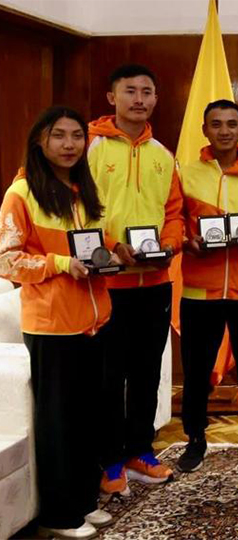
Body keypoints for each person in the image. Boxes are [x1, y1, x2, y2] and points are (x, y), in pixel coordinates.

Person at [1, 107, 118, 538]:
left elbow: (93, 248)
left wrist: (113, 257)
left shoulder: (81, 189)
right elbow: (7, 260)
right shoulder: (22, 192)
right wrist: (59, 263)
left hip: (93, 321)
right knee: (58, 423)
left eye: (76, 137)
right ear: (39, 142)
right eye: (58, 136)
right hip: (52, 325)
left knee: (89, 418)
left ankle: (85, 500)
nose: (69, 145)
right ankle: (60, 514)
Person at [89, 63, 182, 495]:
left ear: (156, 100)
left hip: (155, 282)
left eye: (147, 91)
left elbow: (174, 213)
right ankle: (109, 460)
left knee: (147, 372)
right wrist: (110, 245)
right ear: (112, 97)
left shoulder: (164, 155)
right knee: (109, 377)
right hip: (106, 285)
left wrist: (170, 243)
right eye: (130, 91)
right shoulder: (88, 147)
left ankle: (141, 451)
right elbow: (77, 212)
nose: (139, 99)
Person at [175, 100, 238, 472]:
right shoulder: (186, 173)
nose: (224, 131)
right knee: (197, 369)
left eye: (232, 123)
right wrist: (187, 240)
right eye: (216, 124)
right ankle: (195, 438)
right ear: (205, 129)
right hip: (200, 289)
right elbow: (175, 220)